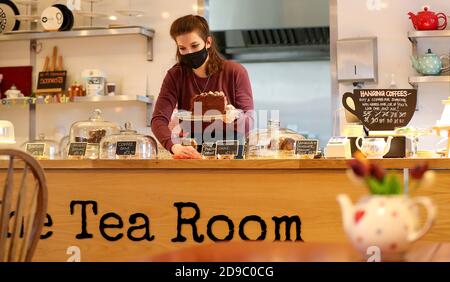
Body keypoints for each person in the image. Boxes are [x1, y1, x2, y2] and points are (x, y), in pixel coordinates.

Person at [151, 14, 254, 159]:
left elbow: (249, 122)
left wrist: (234, 117)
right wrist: (174, 146)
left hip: (230, 149)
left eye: (194, 46)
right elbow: (158, 120)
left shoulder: (235, 72)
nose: (189, 53)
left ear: (208, 42)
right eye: (182, 48)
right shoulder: (176, 75)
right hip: (192, 148)